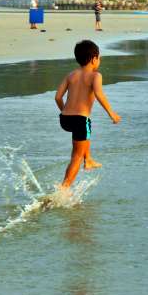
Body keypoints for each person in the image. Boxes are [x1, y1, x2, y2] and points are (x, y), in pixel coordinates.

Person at [54, 39, 120, 188]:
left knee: (79, 144)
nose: (99, 60)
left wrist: (65, 110)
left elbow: (57, 97)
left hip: (64, 119)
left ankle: (88, 159)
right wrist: (112, 113)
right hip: (80, 119)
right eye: (99, 57)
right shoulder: (96, 76)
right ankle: (64, 188)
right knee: (77, 156)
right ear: (94, 58)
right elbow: (99, 94)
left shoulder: (71, 75)